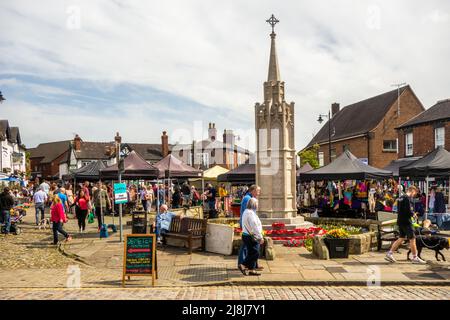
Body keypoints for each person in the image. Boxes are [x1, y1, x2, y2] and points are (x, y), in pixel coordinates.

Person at [385, 186, 426, 264]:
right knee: (413, 239)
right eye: (414, 193)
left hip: (400, 221)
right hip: (407, 222)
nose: (414, 195)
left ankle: (389, 253)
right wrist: (413, 214)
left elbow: (400, 209)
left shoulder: (400, 198)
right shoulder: (407, 198)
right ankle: (415, 257)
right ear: (412, 190)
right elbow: (408, 210)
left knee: (401, 238)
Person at [238, 185, 261, 269]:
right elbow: (250, 215)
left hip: (247, 225)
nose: (259, 193)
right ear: (252, 190)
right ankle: (242, 264)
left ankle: (253, 265)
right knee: (248, 247)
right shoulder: (248, 198)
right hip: (248, 226)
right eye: (258, 191)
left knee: (251, 247)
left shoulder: (249, 197)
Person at [238, 198, 264, 276]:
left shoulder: (246, 212)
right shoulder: (251, 213)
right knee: (255, 252)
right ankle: (243, 264)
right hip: (252, 236)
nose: (258, 205)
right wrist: (260, 237)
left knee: (251, 252)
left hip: (246, 235)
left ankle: (251, 270)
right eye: (257, 204)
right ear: (254, 205)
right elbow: (254, 226)